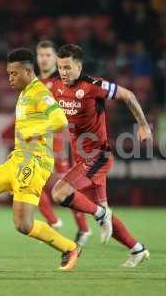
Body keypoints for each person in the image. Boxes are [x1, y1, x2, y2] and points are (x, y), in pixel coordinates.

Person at [0, 48, 83, 271]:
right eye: (8, 74)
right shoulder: (25, 93)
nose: (10, 78)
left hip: (34, 164)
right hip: (18, 160)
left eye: (13, 74)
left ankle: (70, 248)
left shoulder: (40, 93)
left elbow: (60, 120)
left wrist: (35, 130)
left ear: (28, 71)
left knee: (23, 225)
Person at [50, 44, 152, 267]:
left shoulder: (92, 86)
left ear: (79, 65)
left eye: (67, 67)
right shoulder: (56, 87)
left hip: (97, 157)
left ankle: (101, 214)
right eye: (60, 67)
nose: (63, 72)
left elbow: (128, 95)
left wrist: (143, 126)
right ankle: (137, 249)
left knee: (60, 193)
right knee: (102, 214)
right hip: (81, 159)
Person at [36, 40, 92, 245]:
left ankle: (78, 227)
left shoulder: (61, 82)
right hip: (38, 141)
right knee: (27, 182)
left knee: (62, 188)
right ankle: (56, 222)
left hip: (55, 142)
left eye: (48, 55)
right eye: (40, 55)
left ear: (55, 58)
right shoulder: (35, 83)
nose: (44, 59)